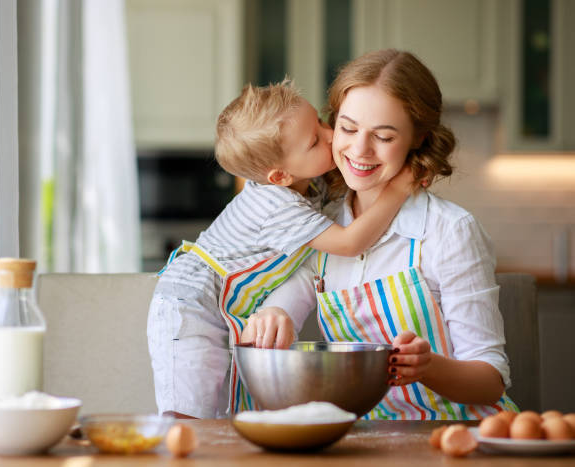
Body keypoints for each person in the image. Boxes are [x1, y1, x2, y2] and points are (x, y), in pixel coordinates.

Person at [242, 49, 519, 420]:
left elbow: (490, 381)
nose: (359, 149)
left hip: (457, 435)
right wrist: (273, 313)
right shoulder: (323, 225)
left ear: (417, 138)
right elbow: (290, 296)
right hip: (366, 439)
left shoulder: (450, 231)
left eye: (384, 136)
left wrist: (428, 367)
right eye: (349, 128)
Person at [147, 80, 414, 419]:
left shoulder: (308, 183)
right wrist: (399, 189)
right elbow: (349, 243)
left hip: (217, 302)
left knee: (223, 410)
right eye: (315, 140)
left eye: (320, 121)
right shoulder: (275, 204)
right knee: (190, 411)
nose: (331, 134)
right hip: (189, 304)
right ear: (279, 176)